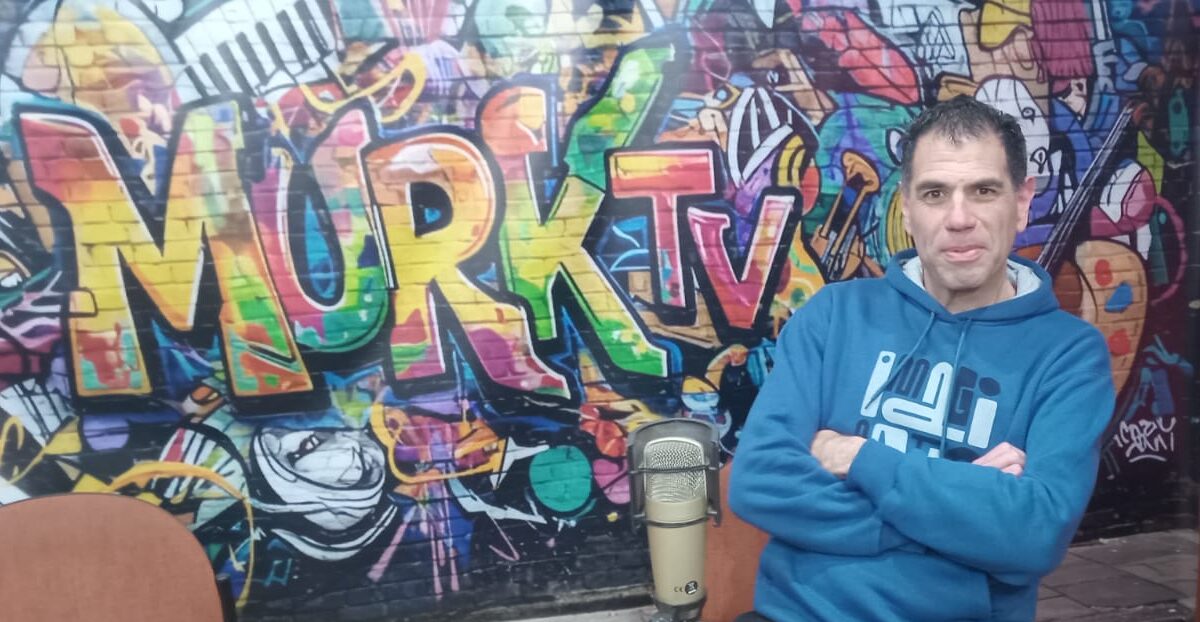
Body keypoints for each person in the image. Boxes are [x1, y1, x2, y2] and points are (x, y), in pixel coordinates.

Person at [727, 95, 1116, 621]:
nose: (959, 218)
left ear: (1022, 201)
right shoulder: (834, 315)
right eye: (935, 193)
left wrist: (860, 458)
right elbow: (759, 481)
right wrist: (964, 512)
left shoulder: (1069, 355)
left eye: (983, 191)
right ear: (907, 208)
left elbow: (1035, 534)